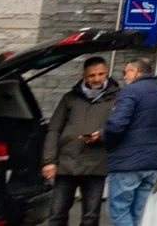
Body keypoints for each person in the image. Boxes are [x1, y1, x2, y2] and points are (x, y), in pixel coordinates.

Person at [98, 57, 157, 226]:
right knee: (138, 213)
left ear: (134, 72)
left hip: (127, 163)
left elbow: (115, 125)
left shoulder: (130, 91)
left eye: (125, 72)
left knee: (119, 212)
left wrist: (106, 139)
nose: (124, 77)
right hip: (153, 162)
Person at [43, 56, 116, 226]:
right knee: (56, 214)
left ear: (107, 73)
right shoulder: (70, 98)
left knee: (90, 217)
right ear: (83, 75)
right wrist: (49, 161)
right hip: (67, 163)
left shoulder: (117, 99)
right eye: (91, 75)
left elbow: (121, 128)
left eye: (100, 74)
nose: (96, 79)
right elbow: (54, 129)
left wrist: (101, 135)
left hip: (96, 164)